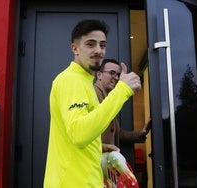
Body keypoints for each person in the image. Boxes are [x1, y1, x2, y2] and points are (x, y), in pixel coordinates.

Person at [43, 19, 142, 188]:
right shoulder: (71, 80)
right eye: (90, 44)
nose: (98, 50)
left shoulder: (84, 81)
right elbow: (79, 133)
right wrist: (122, 90)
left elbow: (77, 135)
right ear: (75, 48)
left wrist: (99, 147)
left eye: (102, 45)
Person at [94, 58, 151, 149]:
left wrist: (140, 134)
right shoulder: (93, 94)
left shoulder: (109, 98)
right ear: (99, 75)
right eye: (112, 73)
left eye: (118, 75)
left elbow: (118, 133)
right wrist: (103, 148)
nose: (116, 78)